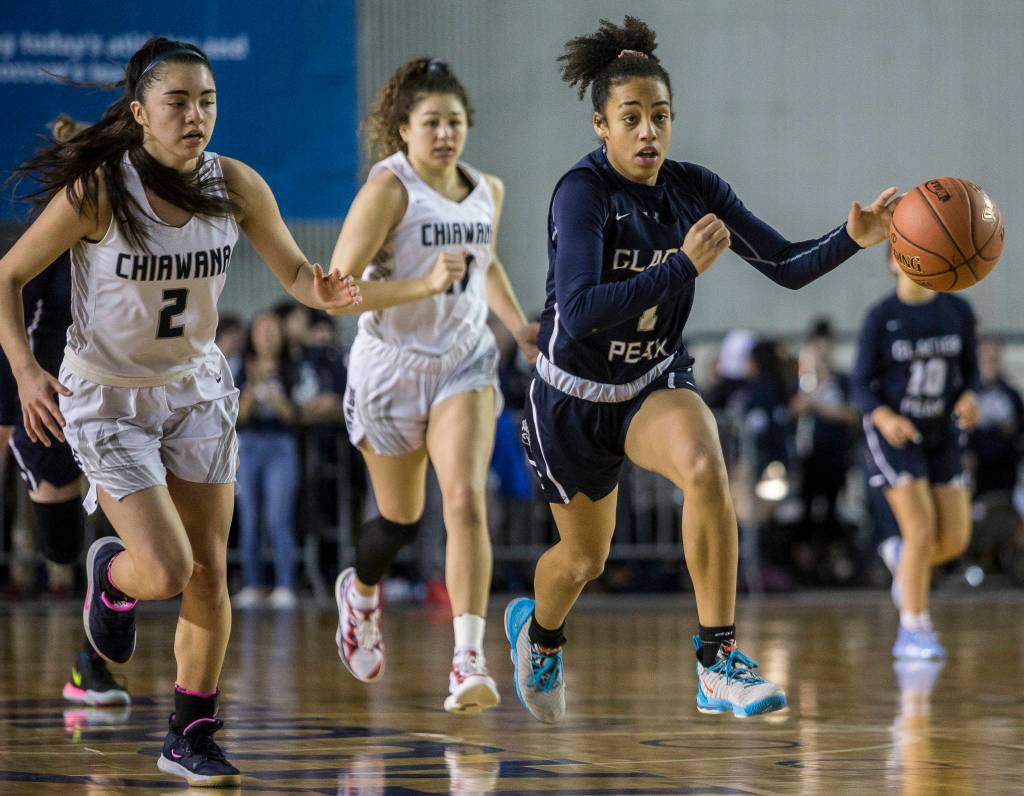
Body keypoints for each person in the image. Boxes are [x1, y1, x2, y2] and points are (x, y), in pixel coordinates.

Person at [503, 16, 897, 723]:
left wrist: (853, 238)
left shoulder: (695, 188)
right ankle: (540, 633)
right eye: (632, 118)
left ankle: (718, 662)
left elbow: (784, 265)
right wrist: (682, 266)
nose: (648, 131)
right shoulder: (582, 193)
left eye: (660, 116)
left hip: (651, 379)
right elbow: (585, 308)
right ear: (602, 125)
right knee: (585, 561)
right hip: (570, 397)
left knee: (706, 465)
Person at [0, 37, 360, 786]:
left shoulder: (235, 183)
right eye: (178, 102)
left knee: (208, 574)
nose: (197, 115)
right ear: (139, 114)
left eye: (207, 101)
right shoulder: (100, 190)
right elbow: (8, 274)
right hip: (106, 393)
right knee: (165, 568)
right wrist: (26, 371)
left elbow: (293, 268)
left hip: (193, 387)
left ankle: (190, 732)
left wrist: (317, 289)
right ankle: (112, 579)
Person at [328, 56, 537, 714]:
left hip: (463, 362)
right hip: (390, 365)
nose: (444, 133)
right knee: (400, 519)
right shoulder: (388, 190)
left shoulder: (488, 190)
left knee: (467, 501)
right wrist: (422, 283)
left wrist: (519, 326)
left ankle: (468, 659)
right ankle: (361, 594)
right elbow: (337, 288)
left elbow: (487, 263)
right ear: (404, 129)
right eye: (430, 122)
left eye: (454, 122)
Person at [0, 114, 131, 705]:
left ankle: (90, 666)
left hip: (114, 397)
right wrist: (19, 395)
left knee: (121, 536)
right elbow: (14, 322)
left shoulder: (136, 231)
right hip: (43, 398)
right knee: (61, 544)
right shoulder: (52, 233)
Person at [852, 245, 979, 660]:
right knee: (921, 531)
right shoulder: (880, 316)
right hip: (896, 435)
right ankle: (913, 630)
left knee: (955, 539)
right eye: (908, 255)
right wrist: (884, 416)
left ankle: (904, 564)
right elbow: (859, 384)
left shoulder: (958, 311)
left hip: (942, 432)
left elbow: (972, 375)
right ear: (893, 263)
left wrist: (970, 398)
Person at [233, 310, 301, 609]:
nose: (268, 336)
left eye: (273, 330)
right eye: (262, 330)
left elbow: (293, 415)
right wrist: (251, 387)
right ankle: (252, 582)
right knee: (249, 516)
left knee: (278, 515)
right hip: (247, 444)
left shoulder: (292, 368)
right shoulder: (239, 368)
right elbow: (237, 415)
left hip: (281, 444)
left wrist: (274, 395)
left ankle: (285, 584)